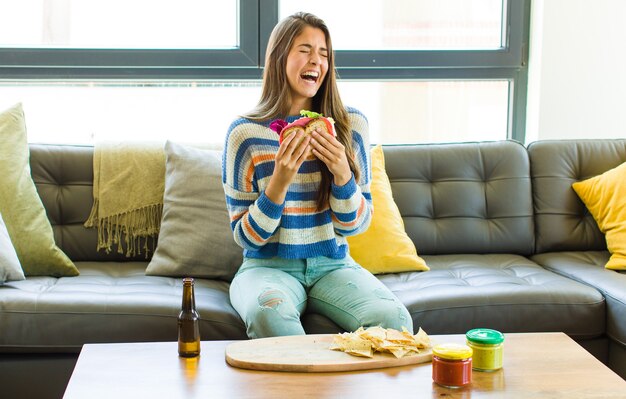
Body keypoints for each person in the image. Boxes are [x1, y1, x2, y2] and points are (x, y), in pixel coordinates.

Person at [222, 12, 413, 339]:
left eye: (324, 54)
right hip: (266, 268)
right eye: (305, 50)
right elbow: (246, 236)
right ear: (280, 56)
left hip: (334, 265)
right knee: (270, 317)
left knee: (395, 320)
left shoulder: (351, 126)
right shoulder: (245, 134)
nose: (317, 61)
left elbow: (356, 225)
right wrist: (279, 182)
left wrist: (342, 173)